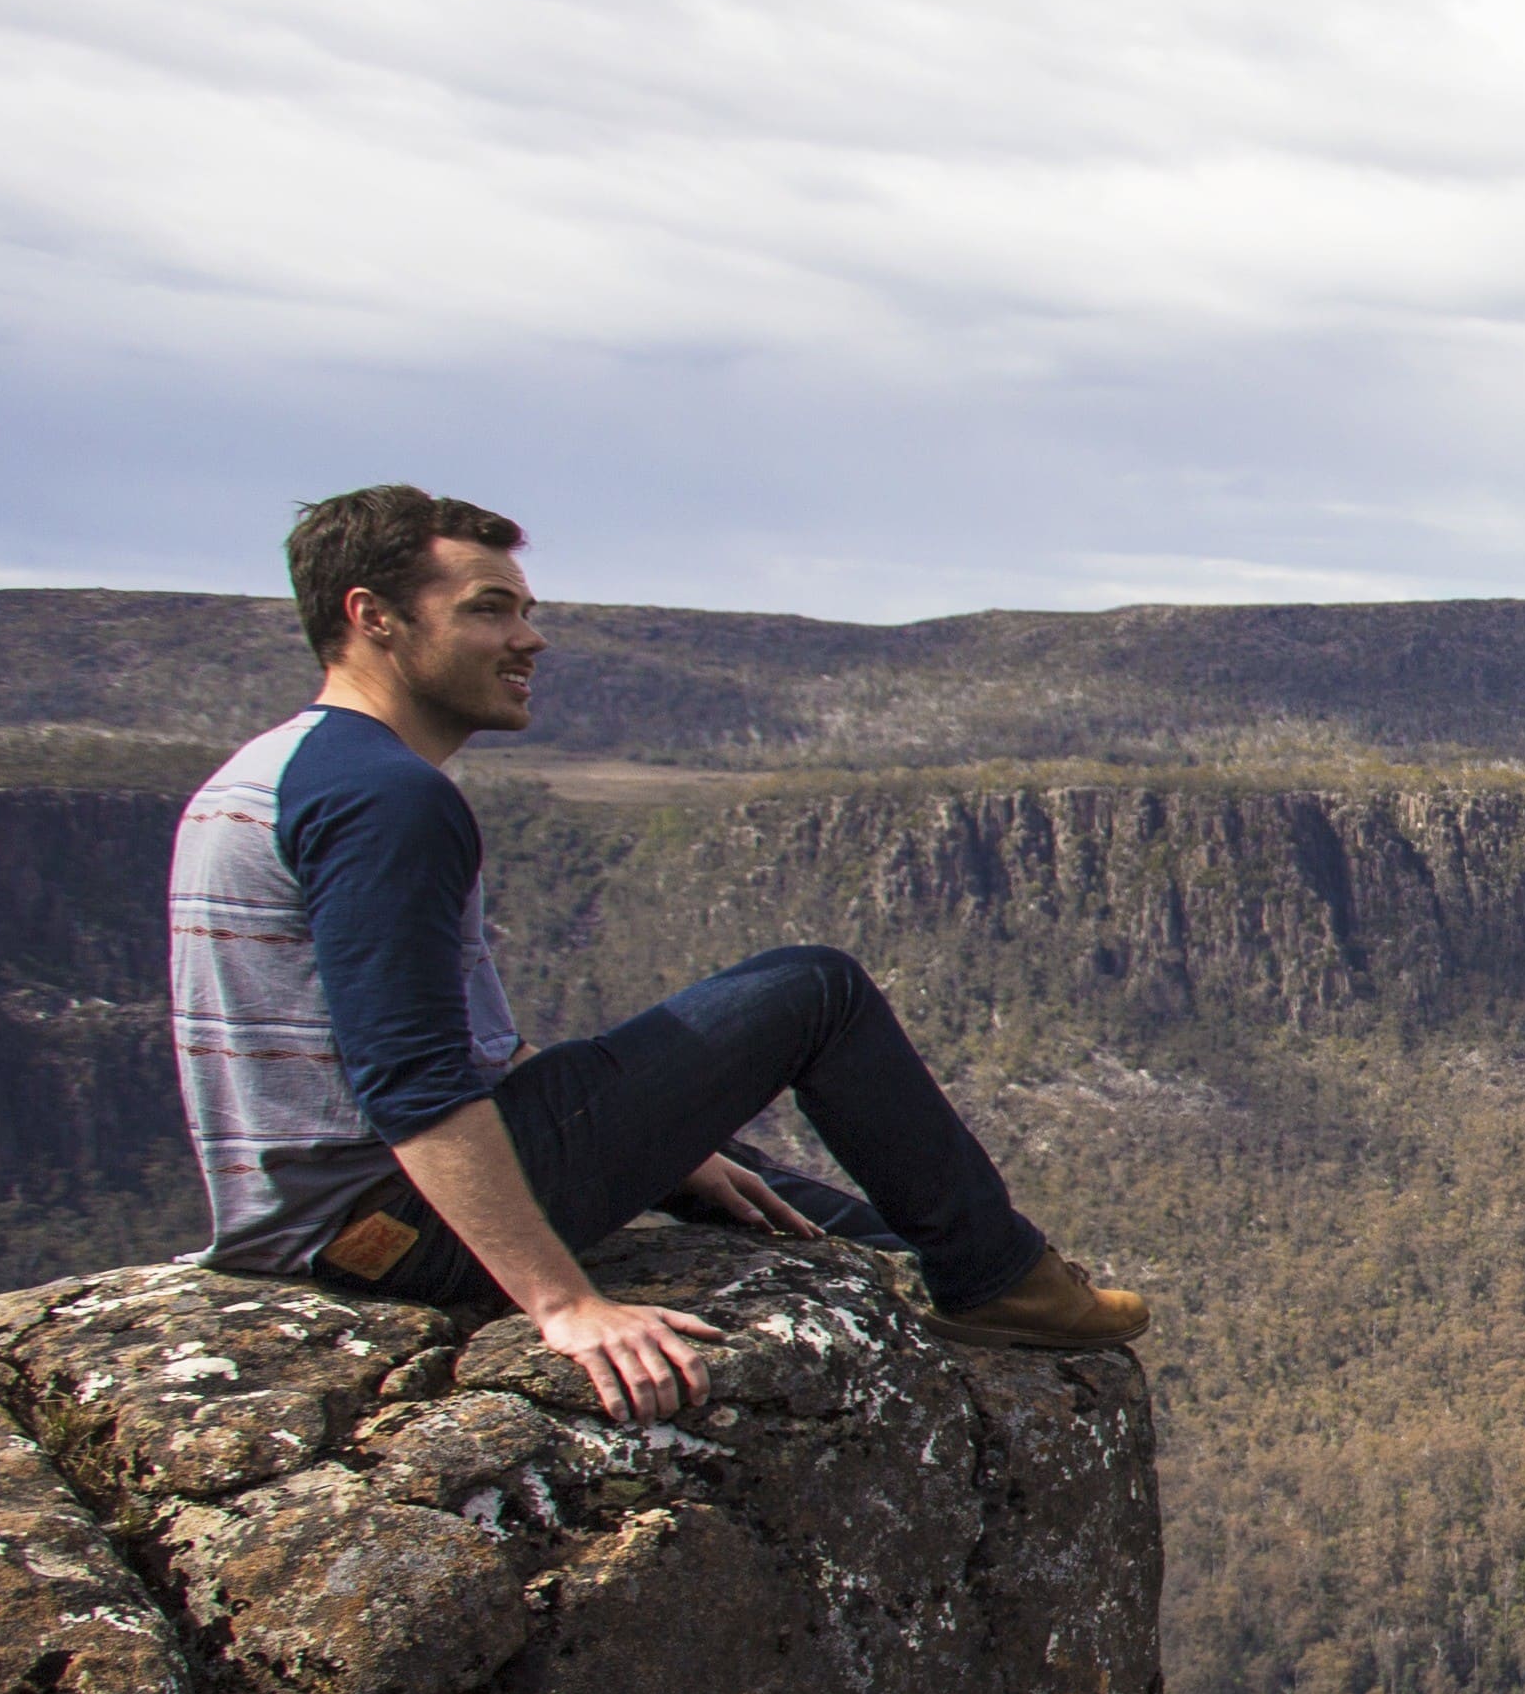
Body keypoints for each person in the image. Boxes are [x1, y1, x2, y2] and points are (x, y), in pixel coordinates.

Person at [170, 483, 1148, 1422]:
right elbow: (411, 1082)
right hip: (385, 1235)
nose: (528, 638)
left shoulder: (275, 771)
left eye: (524, 611)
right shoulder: (387, 798)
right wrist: (562, 1303)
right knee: (817, 990)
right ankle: (997, 1279)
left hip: (330, 1225)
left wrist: (663, 1146)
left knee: (739, 1173)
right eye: (489, 609)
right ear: (373, 617)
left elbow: (432, 1045)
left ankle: (920, 1263)